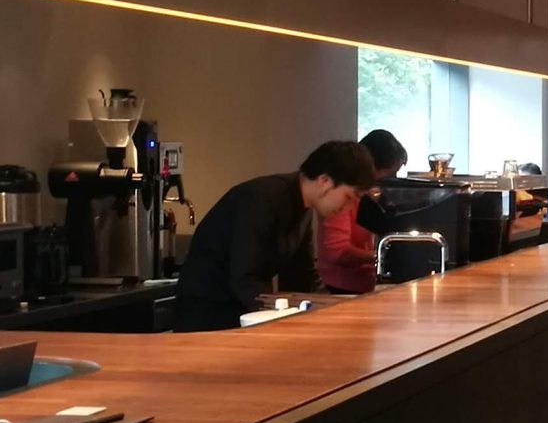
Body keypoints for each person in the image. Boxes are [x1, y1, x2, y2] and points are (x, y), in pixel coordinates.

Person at [172, 139, 378, 331]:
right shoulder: (263, 198)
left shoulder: (303, 207)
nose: (348, 207)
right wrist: (281, 321)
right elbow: (245, 277)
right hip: (207, 313)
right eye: (349, 197)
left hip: (236, 309)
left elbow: (303, 276)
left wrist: (334, 311)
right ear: (324, 181)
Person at [316, 130, 409, 294]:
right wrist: (383, 256)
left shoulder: (370, 195)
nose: (394, 180)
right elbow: (337, 252)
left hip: (366, 284)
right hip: (342, 288)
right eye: (391, 174)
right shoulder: (342, 196)